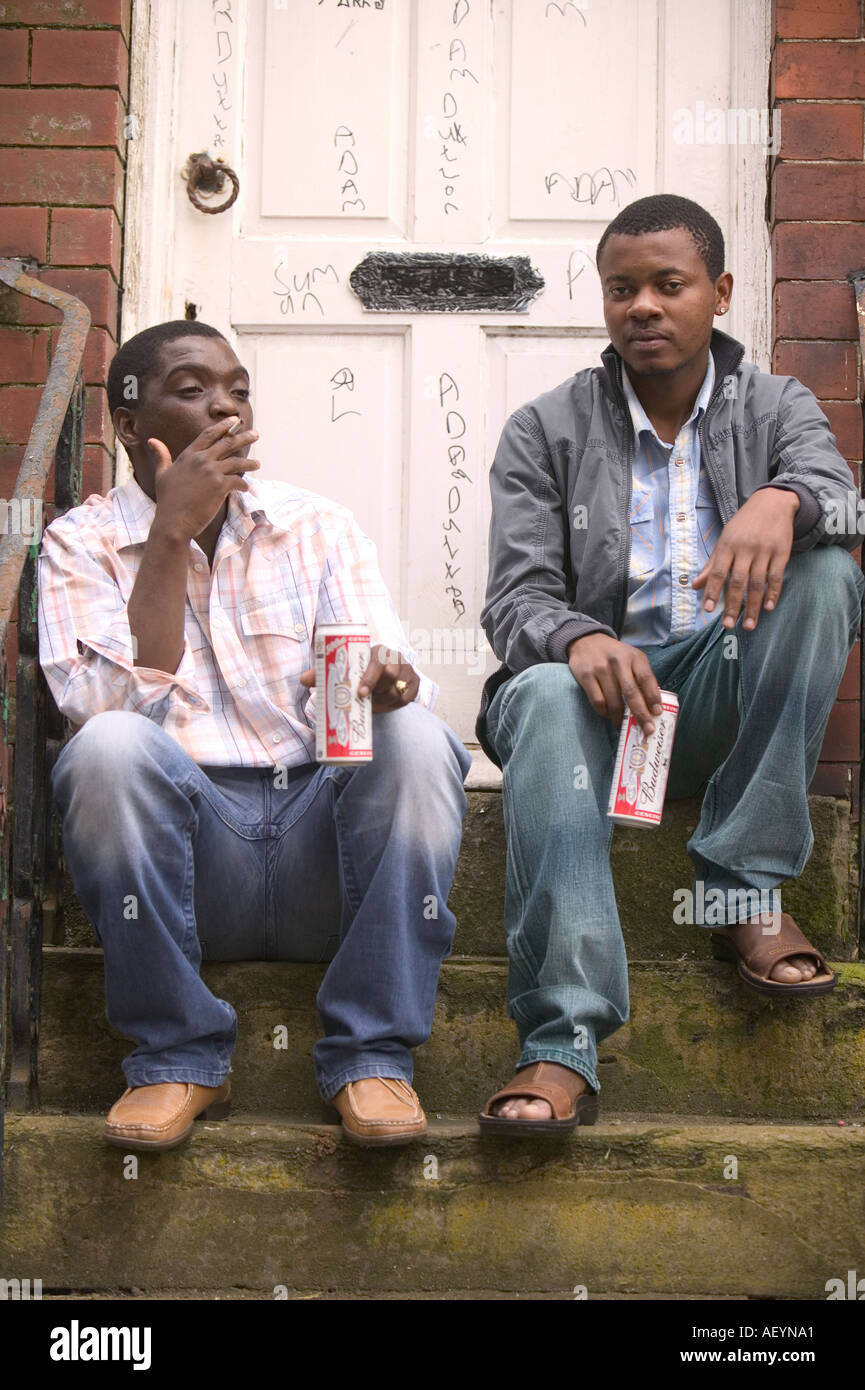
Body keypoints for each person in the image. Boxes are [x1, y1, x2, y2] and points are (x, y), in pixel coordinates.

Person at [475, 194, 864, 1135]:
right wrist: (577, 638)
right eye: (621, 289)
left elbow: (843, 505)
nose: (641, 306)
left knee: (824, 575)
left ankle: (740, 879)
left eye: (667, 284)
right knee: (540, 691)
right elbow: (512, 600)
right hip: (598, 711)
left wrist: (786, 500)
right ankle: (559, 1040)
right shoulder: (544, 428)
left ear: (719, 293)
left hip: (717, 695)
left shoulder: (777, 407)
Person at [38, 320, 471, 1150]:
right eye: (193, 389)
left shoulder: (317, 527)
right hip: (192, 869)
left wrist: (391, 685)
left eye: (237, 388)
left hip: (322, 858)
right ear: (128, 422)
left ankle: (370, 1055)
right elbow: (102, 706)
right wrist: (169, 532)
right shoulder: (80, 543)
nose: (224, 408)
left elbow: (397, 675)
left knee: (415, 736)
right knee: (106, 748)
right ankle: (176, 1058)